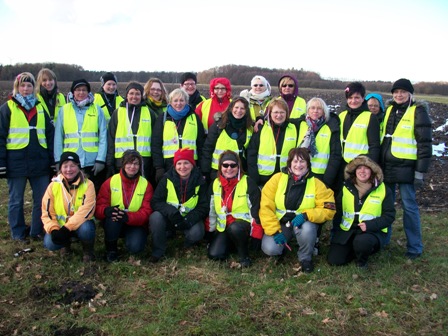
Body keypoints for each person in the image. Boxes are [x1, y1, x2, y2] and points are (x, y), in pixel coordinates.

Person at [260, 148, 336, 273]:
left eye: (302, 161)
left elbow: (328, 209)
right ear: (289, 163)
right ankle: (283, 248)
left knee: (307, 229)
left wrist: (307, 215)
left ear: (308, 164)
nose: (298, 165)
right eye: (295, 161)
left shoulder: (317, 183)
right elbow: (265, 207)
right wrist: (273, 230)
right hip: (281, 223)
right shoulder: (277, 179)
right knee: (270, 249)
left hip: (302, 223)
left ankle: (306, 258)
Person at [380, 78, 432, 259]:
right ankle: (384, 241)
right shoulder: (389, 110)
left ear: (410, 94)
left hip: (407, 169)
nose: (399, 95)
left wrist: (420, 172)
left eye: (403, 92)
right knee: (385, 207)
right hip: (387, 168)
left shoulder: (418, 112)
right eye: (396, 92)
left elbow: (424, 144)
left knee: (409, 208)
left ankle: (414, 248)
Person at [0, 72, 55, 242]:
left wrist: (53, 161)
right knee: (16, 200)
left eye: (29, 85)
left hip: (40, 162)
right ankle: (18, 233)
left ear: (33, 87)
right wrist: (1, 163)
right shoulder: (7, 108)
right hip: (15, 162)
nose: (26, 89)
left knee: (41, 199)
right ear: (17, 87)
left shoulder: (40, 107)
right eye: (22, 85)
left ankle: (37, 230)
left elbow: (49, 135)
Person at [327, 155, 395, 268]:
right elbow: (338, 212)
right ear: (354, 171)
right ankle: (353, 250)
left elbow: (389, 215)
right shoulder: (346, 188)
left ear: (372, 171)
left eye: (366, 168)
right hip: (348, 230)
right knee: (334, 260)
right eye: (359, 168)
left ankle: (362, 261)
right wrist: (335, 235)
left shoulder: (383, 189)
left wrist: (370, 225)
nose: (362, 171)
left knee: (363, 243)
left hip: (371, 231)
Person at [149, 147, 208, 262]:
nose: (182, 167)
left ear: (192, 165)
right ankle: (158, 250)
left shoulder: (200, 181)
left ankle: (187, 244)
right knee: (155, 217)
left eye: (186, 163)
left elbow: (204, 206)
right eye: (179, 163)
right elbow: (155, 201)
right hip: (170, 217)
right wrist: (170, 211)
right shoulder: (166, 179)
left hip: (189, 219)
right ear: (174, 165)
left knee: (197, 232)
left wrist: (189, 219)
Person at [96, 150, 153, 262]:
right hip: (115, 221)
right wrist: (106, 211)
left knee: (135, 248)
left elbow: (147, 212)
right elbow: (98, 207)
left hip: (136, 224)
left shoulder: (146, 184)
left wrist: (127, 217)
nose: (132, 166)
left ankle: (131, 242)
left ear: (140, 166)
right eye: (129, 163)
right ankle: (111, 250)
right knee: (112, 218)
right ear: (123, 164)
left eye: (136, 163)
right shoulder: (110, 181)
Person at [207, 150, 262, 267]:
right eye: (225, 165)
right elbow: (211, 210)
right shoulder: (215, 184)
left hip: (243, 226)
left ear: (239, 167)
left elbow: (256, 210)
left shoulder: (248, 182)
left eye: (233, 165)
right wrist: (210, 232)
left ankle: (244, 256)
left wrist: (257, 234)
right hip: (224, 226)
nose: (229, 168)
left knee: (235, 228)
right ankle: (233, 244)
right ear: (220, 167)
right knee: (215, 255)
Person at [54, 78, 108, 193]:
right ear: (73, 92)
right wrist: (58, 160)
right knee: (72, 193)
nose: (81, 93)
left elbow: (103, 136)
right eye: (78, 90)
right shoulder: (64, 110)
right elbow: (58, 137)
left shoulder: (97, 109)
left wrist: (101, 160)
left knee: (92, 193)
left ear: (88, 92)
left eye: (84, 90)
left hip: (92, 162)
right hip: (71, 162)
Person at [41, 152, 96, 262]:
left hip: (81, 224)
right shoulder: (53, 186)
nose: (69, 170)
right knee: (50, 243)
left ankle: (87, 250)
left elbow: (87, 210)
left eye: (72, 166)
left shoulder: (88, 184)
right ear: (60, 168)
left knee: (87, 230)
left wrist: (67, 228)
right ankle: (65, 246)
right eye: (65, 166)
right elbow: (47, 212)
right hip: (60, 226)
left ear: (78, 167)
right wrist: (54, 229)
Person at [151, 88, 205, 184]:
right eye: (175, 100)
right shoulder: (162, 118)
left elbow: (201, 144)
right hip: (169, 164)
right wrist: (159, 167)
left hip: (190, 164)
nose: (178, 103)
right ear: (170, 102)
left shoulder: (194, 117)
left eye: (181, 100)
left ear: (186, 102)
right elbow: (156, 144)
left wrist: (201, 166)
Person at [106, 81, 156, 182]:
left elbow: (155, 140)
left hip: (144, 162)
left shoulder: (149, 112)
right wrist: (109, 162)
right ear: (127, 95)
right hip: (122, 161)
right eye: (131, 93)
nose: (134, 96)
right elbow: (110, 138)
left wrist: (155, 164)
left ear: (142, 96)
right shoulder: (118, 112)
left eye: (137, 94)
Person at [246, 97, 298, 187]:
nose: (279, 115)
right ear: (270, 113)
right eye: (276, 112)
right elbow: (251, 153)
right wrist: (254, 178)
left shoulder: (294, 128)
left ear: (287, 113)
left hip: (286, 177)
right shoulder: (261, 127)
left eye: (282, 112)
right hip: (263, 178)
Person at [201, 97, 253, 182]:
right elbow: (208, 148)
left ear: (246, 111)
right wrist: (205, 171)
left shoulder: (249, 128)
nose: (239, 111)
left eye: (242, 108)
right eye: (236, 107)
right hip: (219, 170)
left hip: (240, 171)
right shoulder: (219, 125)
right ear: (231, 108)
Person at [297, 97, 342, 189]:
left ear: (324, 111)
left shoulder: (332, 127)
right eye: (312, 108)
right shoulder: (301, 123)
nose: (315, 111)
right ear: (308, 110)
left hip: (321, 175)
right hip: (301, 172)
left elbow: (335, 155)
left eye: (319, 108)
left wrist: (328, 180)